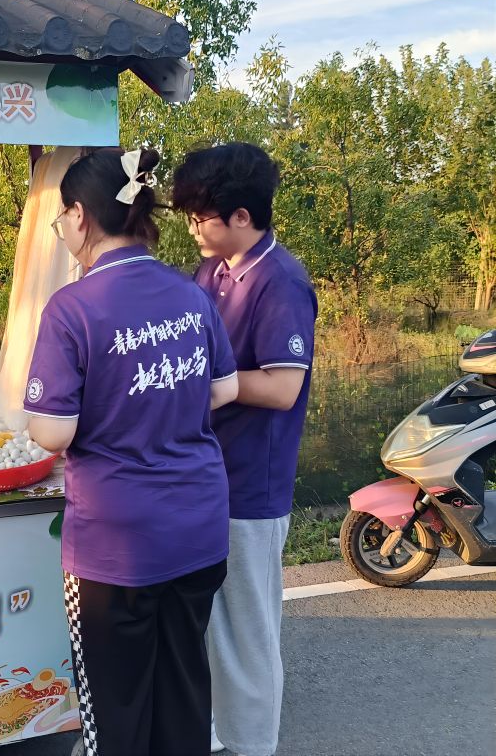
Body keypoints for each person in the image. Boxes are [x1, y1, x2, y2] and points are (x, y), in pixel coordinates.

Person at [24, 147, 239, 756]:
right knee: (183, 693)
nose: (62, 228)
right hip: (197, 529)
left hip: (114, 548)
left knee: (114, 712)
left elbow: (52, 432)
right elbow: (223, 389)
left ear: (80, 216)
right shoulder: (189, 292)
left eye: (62, 217)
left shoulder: (72, 307)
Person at [171, 143, 318, 756]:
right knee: (208, 624)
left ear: (240, 215)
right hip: (207, 473)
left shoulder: (281, 282)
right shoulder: (213, 270)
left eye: (199, 217)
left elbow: (283, 388)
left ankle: (254, 745)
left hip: (251, 484)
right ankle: (214, 734)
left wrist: (208, 386)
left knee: (249, 633)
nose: (191, 228)